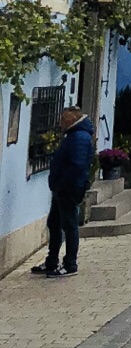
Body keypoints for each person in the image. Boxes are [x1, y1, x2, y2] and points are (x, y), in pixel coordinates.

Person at [32, 106, 95, 278]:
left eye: (63, 119)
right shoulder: (74, 135)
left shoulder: (79, 137)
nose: (60, 122)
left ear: (72, 119)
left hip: (69, 189)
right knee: (54, 223)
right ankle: (51, 261)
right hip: (62, 189)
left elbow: (76, 166)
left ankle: (70, 264)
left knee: (69, 225)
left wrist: (62, 184)